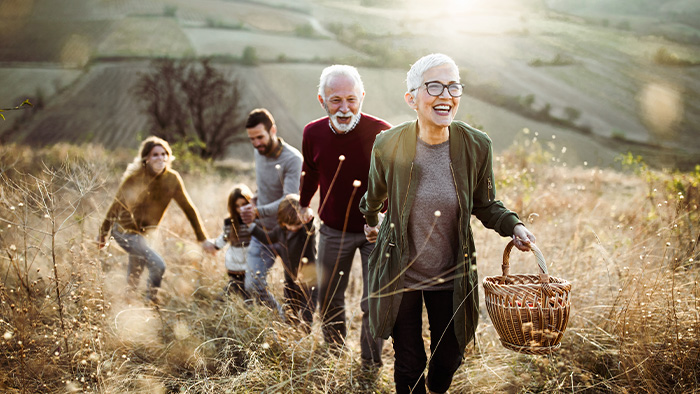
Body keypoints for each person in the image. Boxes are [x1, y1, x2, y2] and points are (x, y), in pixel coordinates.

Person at [359, 53, 537, 394]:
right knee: (410, 363)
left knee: (449, 356)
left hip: (451, 274)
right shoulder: (388, 144)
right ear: (412, 98)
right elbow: (374, 195)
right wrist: (370, 221)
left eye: (453, 85)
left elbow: (486, 204)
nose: (446, 94)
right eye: (434, 86)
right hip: (401, 273)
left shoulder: (476, 145)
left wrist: (514, 226)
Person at [299, 65, 391, 368]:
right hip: (333, 230)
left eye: (351, 99)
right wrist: (303, 204)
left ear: (362, 97)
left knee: (374, 301)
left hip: (374, 232)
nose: (344, 107)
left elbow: (396, 182)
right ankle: (335, 353)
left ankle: (370, 363)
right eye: (335, 99)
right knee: (329, 297)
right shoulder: (312, 133)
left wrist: (382, 220)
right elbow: (310, 173)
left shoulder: (382, 132)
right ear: (321, 100)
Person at [98, 136, 216, 304]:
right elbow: (115, 207)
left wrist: (202, 238)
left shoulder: (172, 179)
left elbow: (189, 209)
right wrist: (102, 234)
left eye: (164, 154)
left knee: (135, 271)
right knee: (158, 265)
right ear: (146, 158)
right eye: (155, 155)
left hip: (144, 235)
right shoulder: (134, 179)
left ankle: (128, 303)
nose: (161, 158)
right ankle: (151, 300)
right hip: (124, 232)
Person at [240, 108, 306, 318]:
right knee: (252, 285)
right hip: (263, 233)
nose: (256, 143)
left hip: (287, 233)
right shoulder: (258, 152)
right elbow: (264, 188)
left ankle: (296, 330)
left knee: (297, 291)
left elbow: (289, 200)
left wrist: (257, 211)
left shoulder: (293, 159)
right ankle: (280, 319)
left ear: (273, 130)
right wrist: (253, 202)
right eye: (252, 139)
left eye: (260, 137)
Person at [249, 194, 317, 331]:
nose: (293, 228)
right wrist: (251, 227)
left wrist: (308, 218)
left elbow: (311, 227)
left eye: (297, 225)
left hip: (309, 282)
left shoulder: (305, 232)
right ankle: (291, 335)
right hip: (290, 280)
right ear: (282, 221)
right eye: (289, 225)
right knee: (290, 311)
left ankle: (303, 340)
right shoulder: (281, 231)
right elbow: (267, 238)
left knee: (306, 315)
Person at [210, 184, 255, 300]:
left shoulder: (254, 221)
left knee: (248, 289)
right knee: (236, 287)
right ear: (233, 207)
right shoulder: (229, 222)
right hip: (234, 263)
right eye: (237, 206)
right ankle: (220, 301)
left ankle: (244, 306)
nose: (241, 209)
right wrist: (215, 246)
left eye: (244, 204)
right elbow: (224, 237)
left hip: (250, 263)